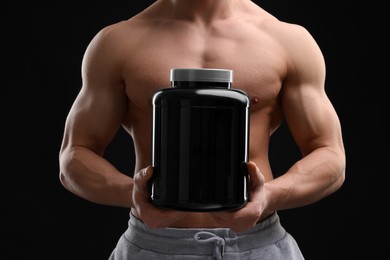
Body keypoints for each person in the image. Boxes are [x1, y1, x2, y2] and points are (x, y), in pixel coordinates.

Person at [59, 0, 346, 259]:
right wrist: (130, 193)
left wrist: (270, 195)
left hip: (259, 247)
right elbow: (74, 154)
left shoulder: (287, 41)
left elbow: (330, 154)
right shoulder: (118, 42)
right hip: (152, 248)